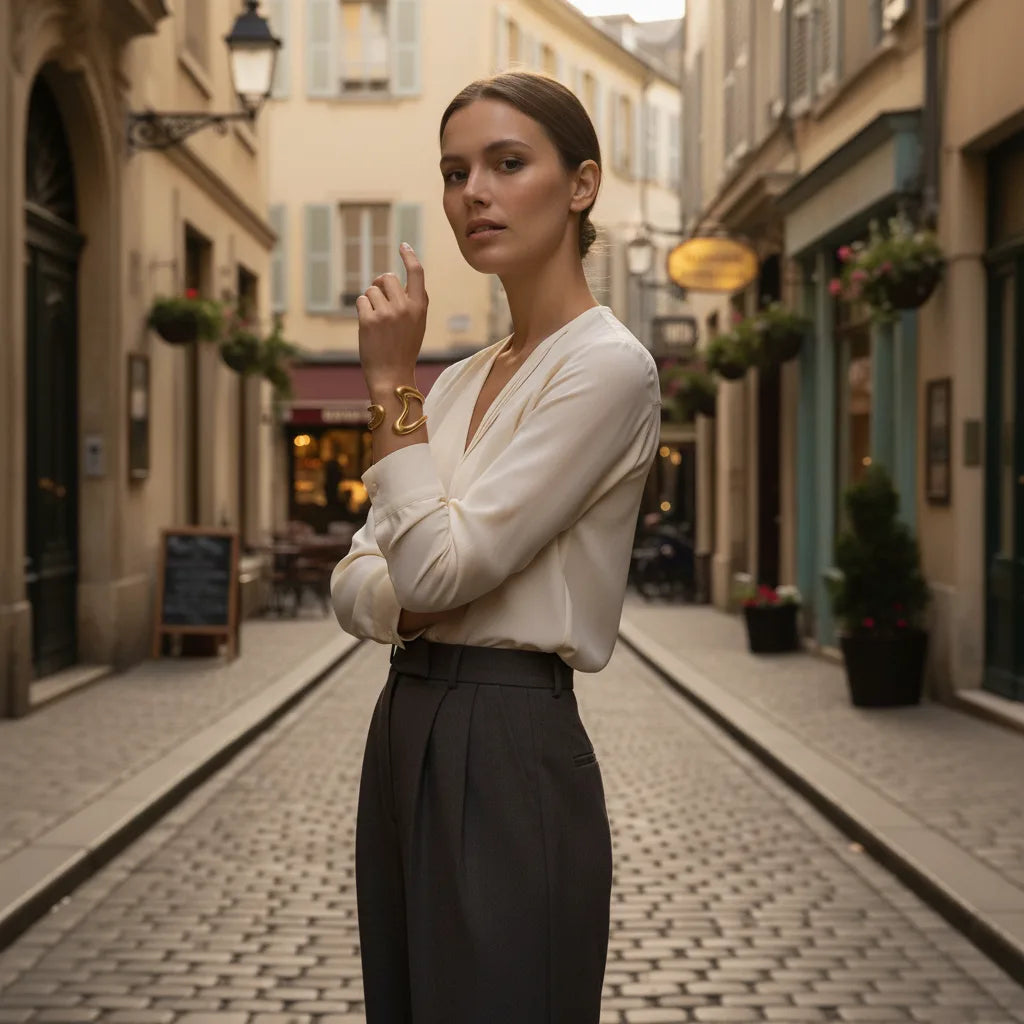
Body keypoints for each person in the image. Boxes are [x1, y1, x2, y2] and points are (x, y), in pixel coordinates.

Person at [330, 70, 661, 1024]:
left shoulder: (606, 368)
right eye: (454, 170)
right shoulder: (458, 379)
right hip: (406, 722)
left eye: (507, 163)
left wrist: (388, 379)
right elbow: (356, 583)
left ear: (581, 184)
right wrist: (420, 593)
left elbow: (431, 568)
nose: (472, 192)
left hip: (509, 736)